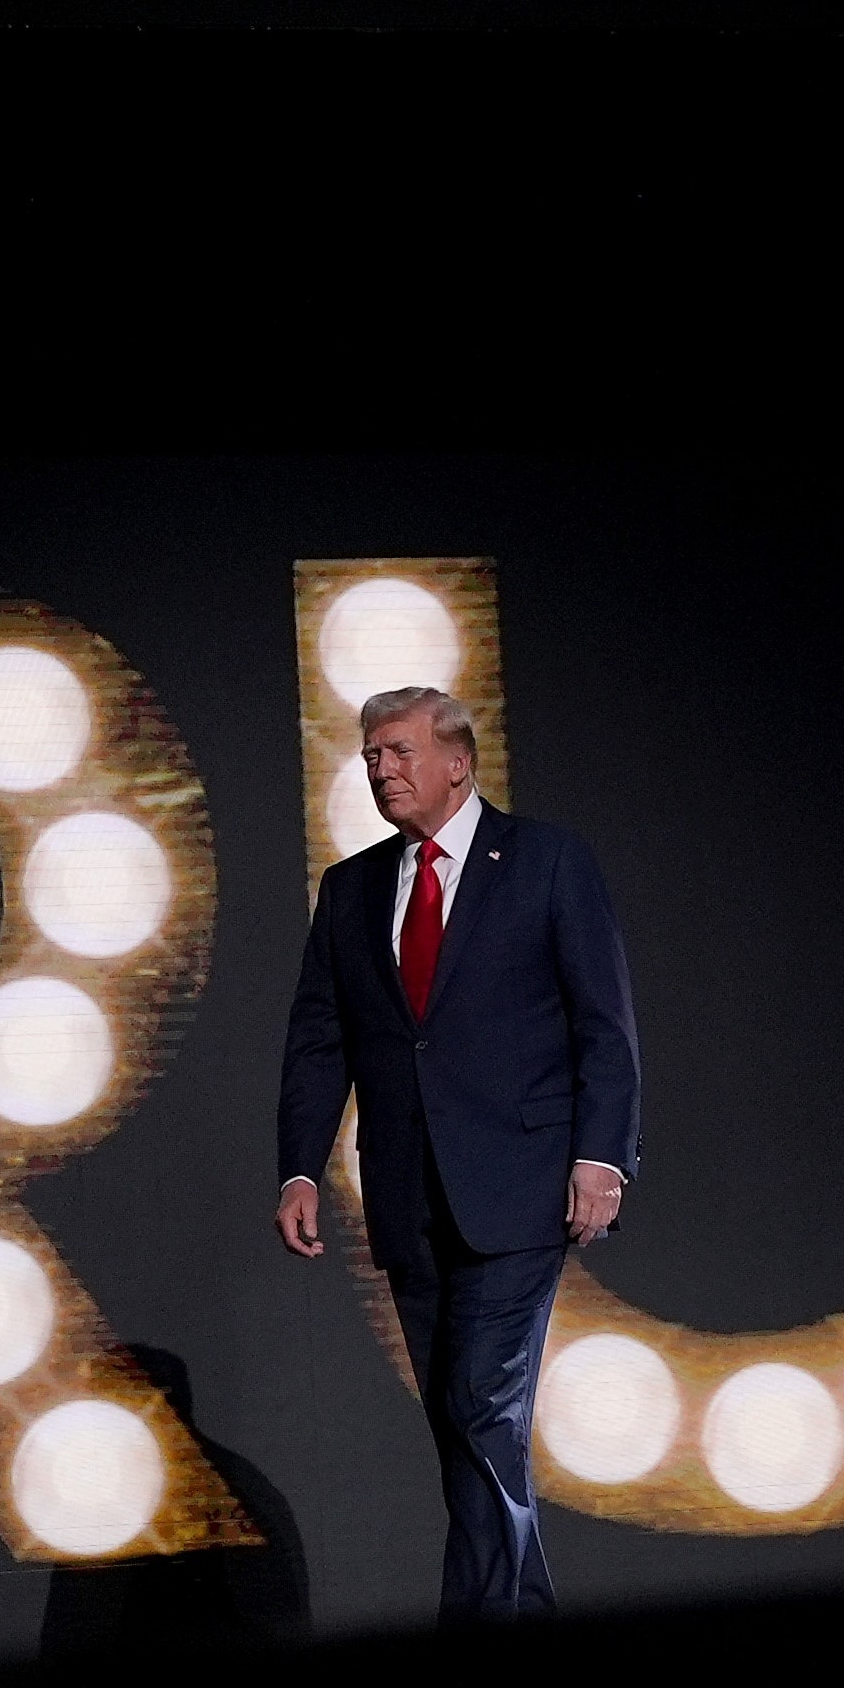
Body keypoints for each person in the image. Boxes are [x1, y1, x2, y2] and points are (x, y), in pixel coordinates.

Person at [275, 684, 641, 1623]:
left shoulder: (548, 862)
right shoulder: (351, 889)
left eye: (397, 752)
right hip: (409, 1194)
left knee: (483, 1402)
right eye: (370, 756)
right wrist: (301, 1165)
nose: (379, 769)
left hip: (519, 1190)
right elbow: (323, 1038)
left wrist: (602, 1155)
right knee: (461, 1418)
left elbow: (605, 1023)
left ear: (457, 761)